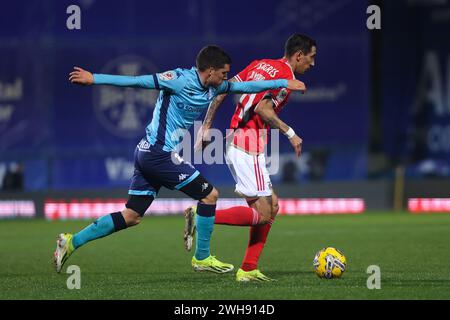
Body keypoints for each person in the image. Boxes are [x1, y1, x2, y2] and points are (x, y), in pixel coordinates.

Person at [54, 45, 307, 274]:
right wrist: (94, 79)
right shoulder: (177, 79)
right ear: (210, 71)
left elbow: (246, 87)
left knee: (131, 215)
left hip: (147, 153)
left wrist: (285, 81)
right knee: (210, 195)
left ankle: (72, 241)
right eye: (224, 73)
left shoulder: (215, 86)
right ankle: (202, 258)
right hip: (158, 154)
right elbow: (137, 82)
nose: (226, 78)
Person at [184, 34, 316, 281]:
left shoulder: (258, 65)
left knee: (272, 205)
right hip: (248, 145)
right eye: (311, 57)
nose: (313, 63)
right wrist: (291, 133)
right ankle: (201, 214)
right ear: (299, 55)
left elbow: (223, 90)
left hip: (237, 142)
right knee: (264, 213)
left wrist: (207, 125)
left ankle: (248, 268)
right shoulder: (283, 80)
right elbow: (262, 109)